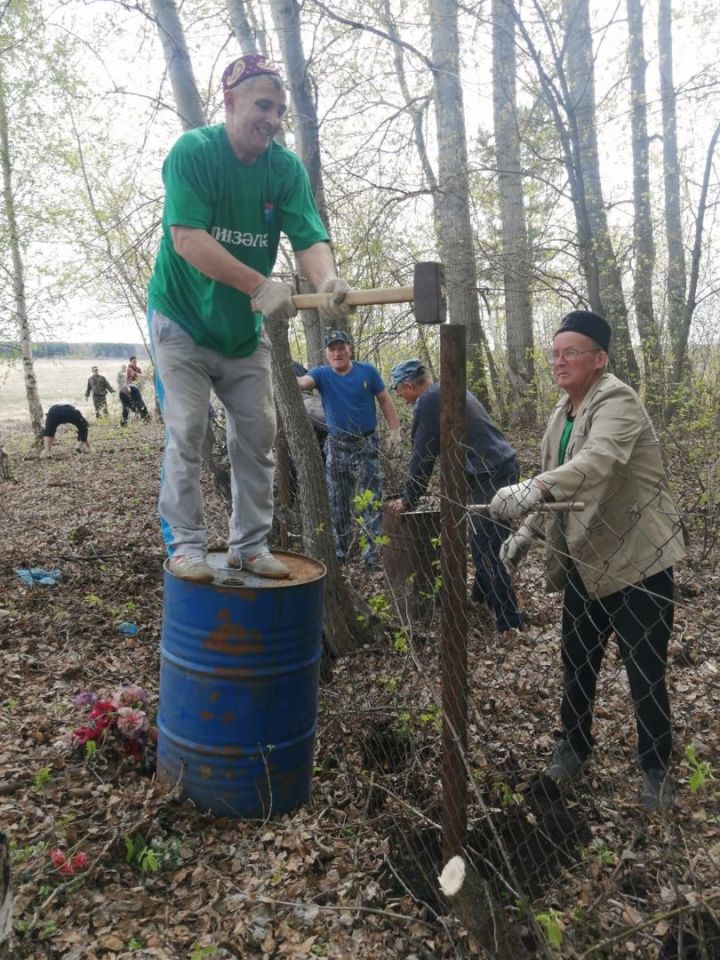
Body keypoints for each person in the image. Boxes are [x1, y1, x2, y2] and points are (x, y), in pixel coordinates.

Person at [147, 53, 350, 583]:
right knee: (189, 428)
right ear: (230, 101)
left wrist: (326, 281)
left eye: (280, 110)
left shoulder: (283, 169)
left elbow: (309, 238)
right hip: (182, 320)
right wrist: (259, 284)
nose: (274, 118)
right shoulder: (195, 153)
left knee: (260, 432)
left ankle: (250, 544)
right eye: (264, 105)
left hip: (243, 332)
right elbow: (186, 238)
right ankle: (187, 546)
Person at [488, 310, 686, 812]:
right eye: (554, 353)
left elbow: (598, 461)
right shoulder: (560, 414)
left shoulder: (617, 400)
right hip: (585, 561)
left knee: (644, 668)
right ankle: (574, 747)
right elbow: (556, 480)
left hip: (638, 560)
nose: (560, 361)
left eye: (570, 352)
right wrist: (528, 532)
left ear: (599, 360)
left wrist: (532, 488)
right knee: (577, 661)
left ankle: (656, 767)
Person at [386, 359, 524, 633]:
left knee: (487, 551)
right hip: (498, 467)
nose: (401, 400)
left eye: (400, 393)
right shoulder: (448, 389)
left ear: (409, 385)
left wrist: (408, 499)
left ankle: (510, 624)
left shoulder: (427, 402)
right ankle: (480, 602)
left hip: (489, 474)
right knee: (483, 544)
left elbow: (422, 456)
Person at [297, 331, 401, 569]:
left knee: (370, 503)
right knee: (338, 503)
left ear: (349, 349)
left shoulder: (367, 371)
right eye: (332, 349)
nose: (337, 353)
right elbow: (305, 383)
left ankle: (372, 560)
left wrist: (395, 431)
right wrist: (285, 378)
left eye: (341, 348)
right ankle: (340, 554)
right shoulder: (321, 374)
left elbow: (384, 399)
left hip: (365, 444)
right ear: (326, 353)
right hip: (336, 446)